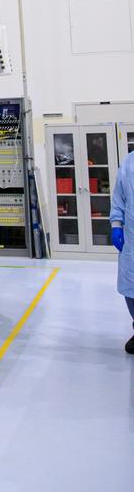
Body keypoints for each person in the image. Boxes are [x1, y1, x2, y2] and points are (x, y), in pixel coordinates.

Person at [109, 151, 134, 354]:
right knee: (130, 283)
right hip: (132, 236)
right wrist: (116, 224)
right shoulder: (129, 162)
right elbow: (119, 197)